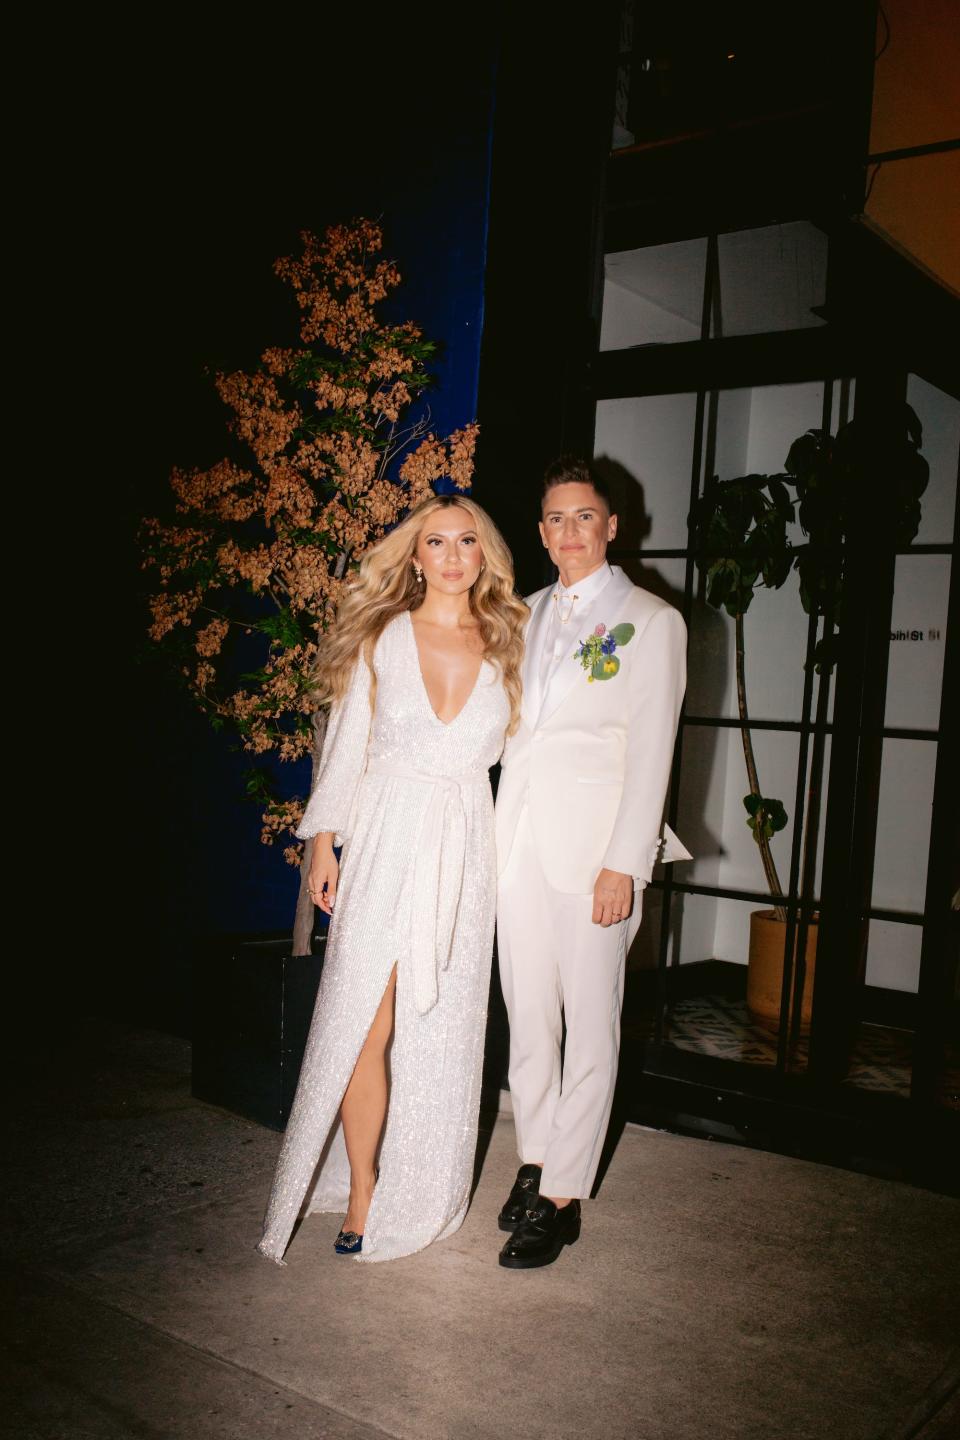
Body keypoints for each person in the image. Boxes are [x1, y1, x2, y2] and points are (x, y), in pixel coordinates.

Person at [257, 494, 526, 1265]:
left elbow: (534, 756)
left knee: (441, 1029)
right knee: (362, 1023)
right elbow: (345, 747)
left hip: (467, 846)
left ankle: (421, 1186)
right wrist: (322, 846)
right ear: (414, 556)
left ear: (485, 554)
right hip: (383, 838)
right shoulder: (382, 637)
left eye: (466, 541)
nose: (450, 556)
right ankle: (367, 1187)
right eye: (435, 542)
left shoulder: (511, 642)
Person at [494, 456, 689, 1269]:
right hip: (518, 848)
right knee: (530, 1018)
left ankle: (564, 1196)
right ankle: (536, 1158)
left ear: (612, 527)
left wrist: (626, 863)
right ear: (540, 533)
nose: (568, 532)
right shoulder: (519, 613)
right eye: (554, 520)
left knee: (590, 1026)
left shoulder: (651, 620)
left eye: (584, 517)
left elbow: (653, 753)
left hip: (597, 858)